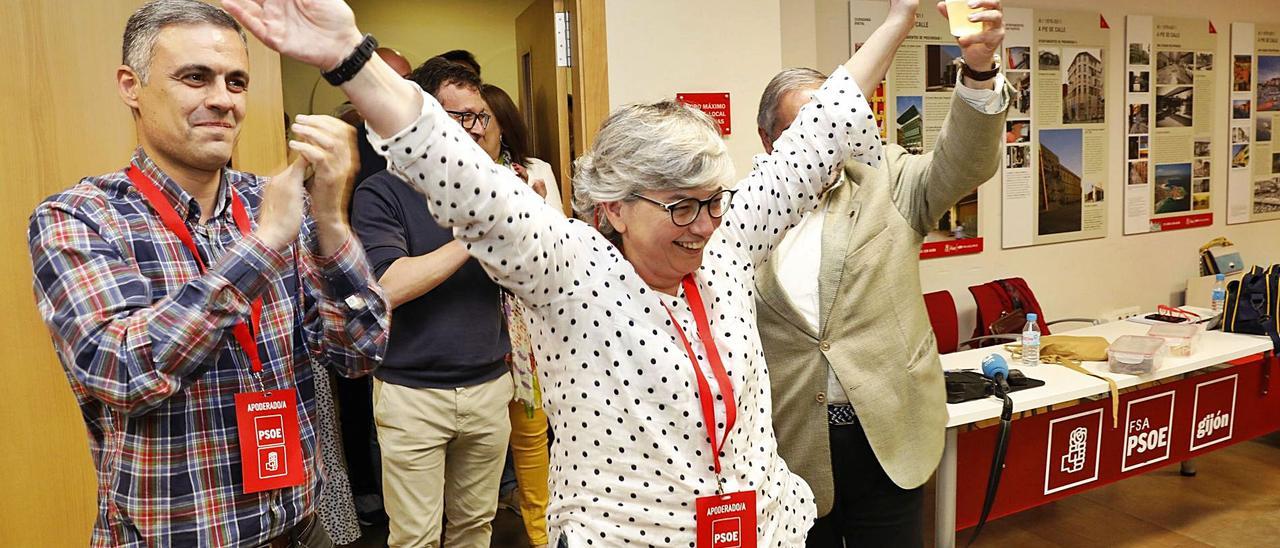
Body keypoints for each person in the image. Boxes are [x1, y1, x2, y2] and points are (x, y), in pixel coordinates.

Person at [224, 0, 912, 544]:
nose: (704, 223)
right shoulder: (569, 271)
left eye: (713, 201)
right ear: (612, 205)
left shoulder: (726, 243)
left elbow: (817, 132)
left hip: (758, 530)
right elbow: (452, 164)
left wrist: (898, 19)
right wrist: (351, 58)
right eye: (680, 207)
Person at [26, 1, 389, 546]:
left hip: (301, 528)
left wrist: (332, 219)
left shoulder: (272, 202)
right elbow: (124, 372)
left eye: (236, 82)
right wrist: (263, 245)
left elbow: (358, 352)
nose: (222, 100)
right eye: (195, 77)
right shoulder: (80, 217)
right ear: (132, 85)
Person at [754, 1, 1008, 546]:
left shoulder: (886, 179)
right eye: (803, 133)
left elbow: (963, 163)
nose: (820, 149)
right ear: (769, 142)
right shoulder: (743, 215)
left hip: (889, 435)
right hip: (791, 447)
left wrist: (979, 72)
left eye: (830, 128)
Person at [349, 57, 514, 548]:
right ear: (425, 122)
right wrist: (475, 232)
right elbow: (390, 287)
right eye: (460, 117)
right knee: (416, 538)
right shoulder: (381, 193)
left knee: (474, 530)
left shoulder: (493, 188)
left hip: (488, 387)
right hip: (413, 395)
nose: (476, 128)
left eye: (480, 115)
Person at [479, 82, 559, 548]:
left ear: (502, 124)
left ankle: (540, 535)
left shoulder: (533, 172)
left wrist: (531, 208)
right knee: (481, 447)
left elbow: (558, 250)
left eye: (481, 118)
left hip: (527, 324)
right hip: (472, 323)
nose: (470, 129)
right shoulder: (443, 174)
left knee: (532, 436)